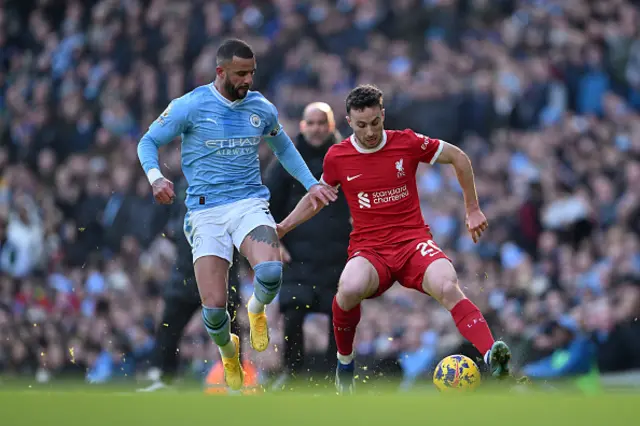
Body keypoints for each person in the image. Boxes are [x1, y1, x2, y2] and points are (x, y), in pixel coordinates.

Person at [276, 84, 513, 394]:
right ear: (349, 122)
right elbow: (316, 199)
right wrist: (282, 228)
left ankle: (491, 354)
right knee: (347, 290)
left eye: (375, 122)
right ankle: (344, 365)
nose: (370, 130)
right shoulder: (338, 156)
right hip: (369, 249)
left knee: (446, 284)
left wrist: (472, 209)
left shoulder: (407, 143)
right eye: (362, 125)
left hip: (413, 243)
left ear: (382, 115)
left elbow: (458, 157)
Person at [136, 38, 338, 390]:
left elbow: (284, 147)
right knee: (214, 310)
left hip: (248, 204)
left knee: (271, 270)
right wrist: (156, 178)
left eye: (252, 73)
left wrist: (311, 184)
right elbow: (147, 142)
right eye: (241, 74)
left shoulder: (260, 107)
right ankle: (229, 355)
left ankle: (256, 310)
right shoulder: (190, 106)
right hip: (205, 213)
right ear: (221, 72)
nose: (248, 80)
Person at [265, 102, 351, 385]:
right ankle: (293, 375)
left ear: (331, 127)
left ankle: (335, 376)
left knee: (340, 319)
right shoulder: (285, 160)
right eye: (311, 123)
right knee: (292, 315)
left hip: (337, 258)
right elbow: (266, 205)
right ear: (302, 126)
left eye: (321, 123)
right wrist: (274, 243)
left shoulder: (345, 158)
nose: (316, 128)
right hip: (296, 257)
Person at [137, 177, 244, 392]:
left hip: (219, 275)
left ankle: (235, 379)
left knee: (229, 331)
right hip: (187, 274)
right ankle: (164, 377)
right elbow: (170, 228)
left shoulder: (233, 188)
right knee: (169, 327)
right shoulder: (183, 189)